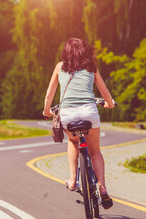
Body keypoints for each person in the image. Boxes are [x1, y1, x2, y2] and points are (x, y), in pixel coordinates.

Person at [43, 38, 115, 209]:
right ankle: (103, 189)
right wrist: (110, 104)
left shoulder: (60, 67)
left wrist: (47, 112)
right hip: (89, 112)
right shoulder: (91, 67)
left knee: (73, 141)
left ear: (66, 52)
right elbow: (104, 92)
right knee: (95, 152)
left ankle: (73, 180)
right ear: (84, 51)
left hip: (67, 114)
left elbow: (49, 94)